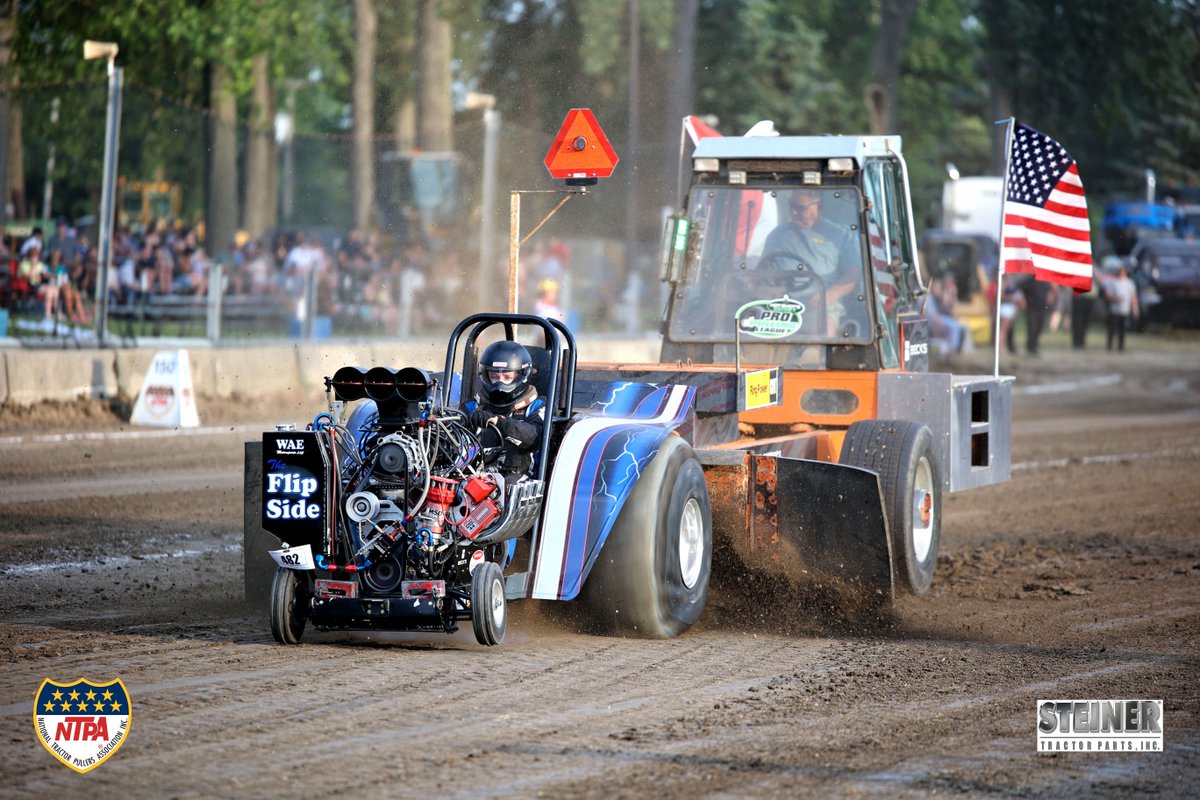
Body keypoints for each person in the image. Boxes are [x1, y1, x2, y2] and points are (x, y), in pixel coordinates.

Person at [762, 189, 859, 333]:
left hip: (819, 303)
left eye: (800, 208)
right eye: (792, 206)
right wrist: (766, 288)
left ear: (818, 207)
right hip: (780, 303)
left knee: (822, 329)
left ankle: (819, 353)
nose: (794, 212)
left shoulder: (841, 236)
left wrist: (829, 295)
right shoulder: (778, 235)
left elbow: (854, 275)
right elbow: (763, 271)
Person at [463, 341, 545, 480]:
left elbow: (533, 437)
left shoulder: (538, 405)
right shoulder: (472, 406)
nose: (499, 383)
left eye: (507, 377)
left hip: (520, 482)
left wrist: (499, 422)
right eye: (494, 377)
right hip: (473, 478)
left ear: (521, 375)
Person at [1104, 264, 1139, 352]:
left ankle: (1121, 347)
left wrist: (1135, 309)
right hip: (1114, 310)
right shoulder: (1113, 282)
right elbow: (1107, 296)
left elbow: (1133, 297)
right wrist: (1116, 299)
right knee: (1112, 329)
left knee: (1122, 330)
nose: (1121, 273)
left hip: (1125, 310)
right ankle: (1109, 346)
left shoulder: (1129, 283)